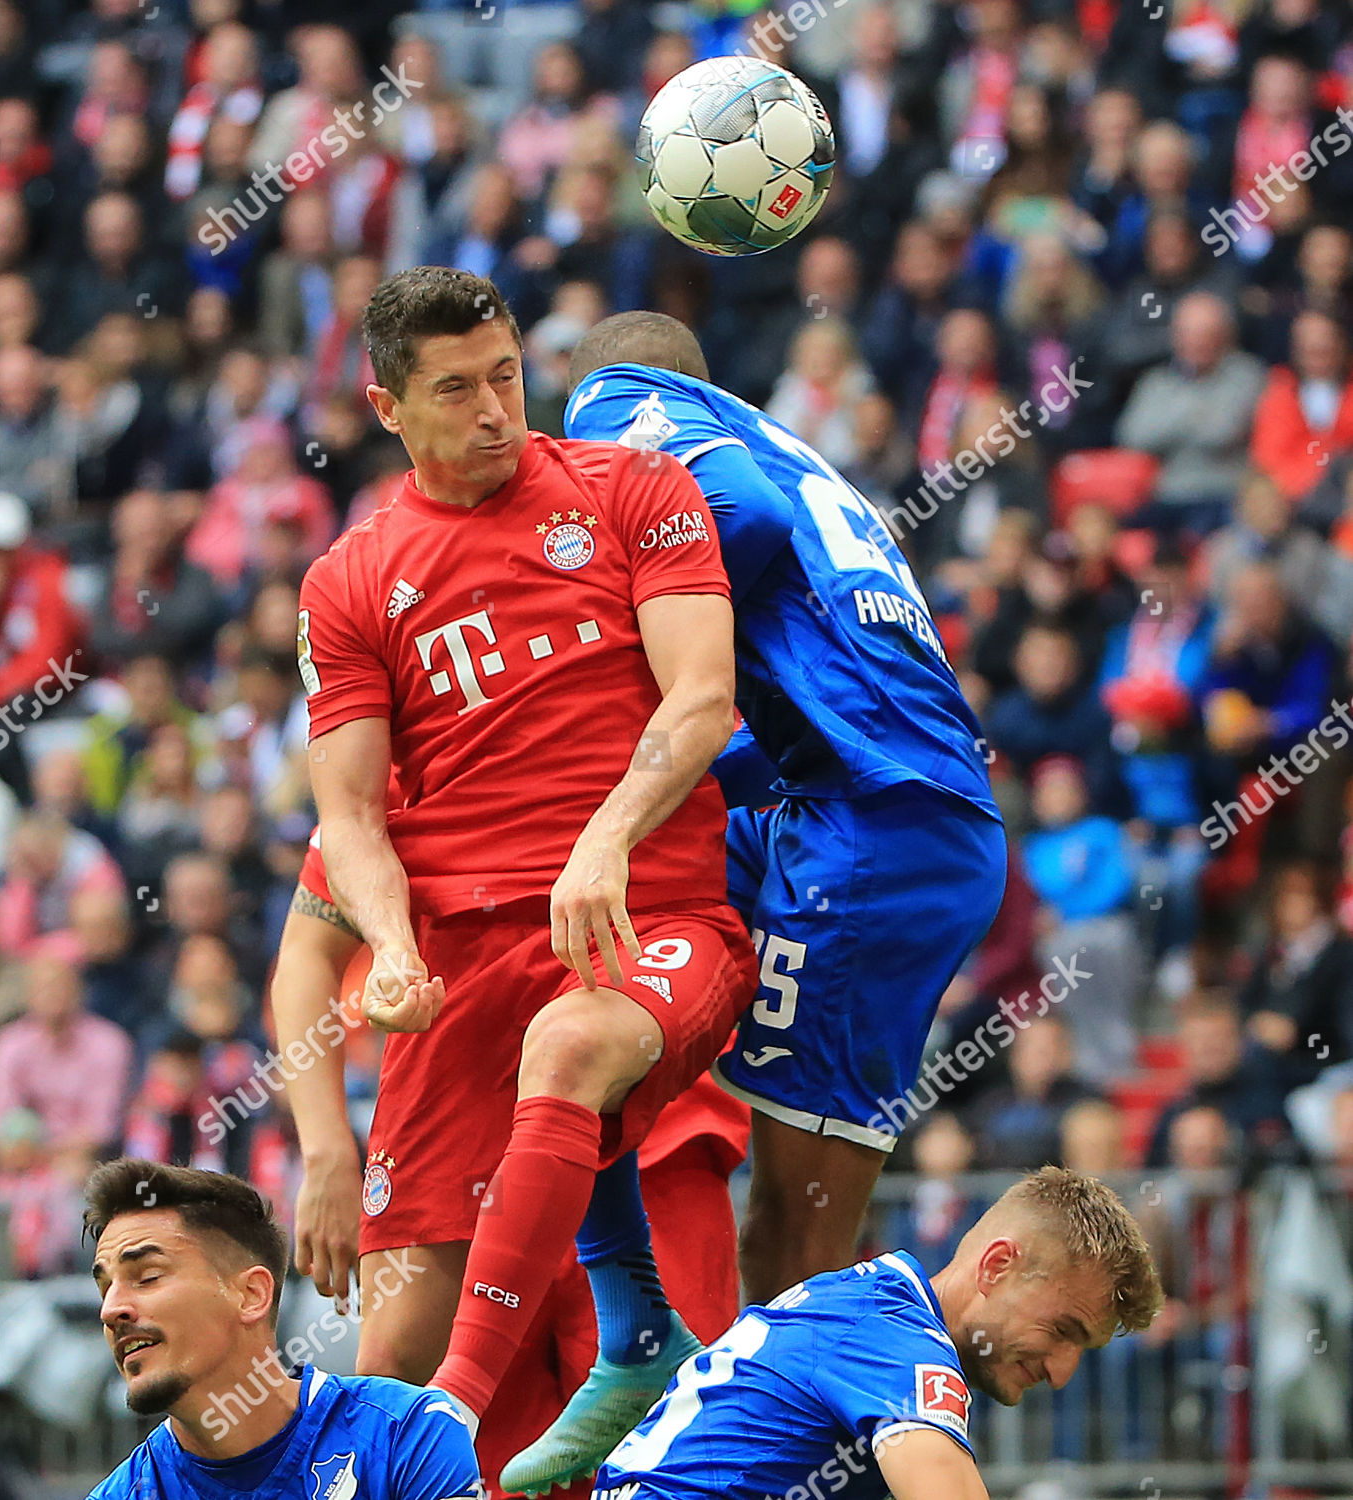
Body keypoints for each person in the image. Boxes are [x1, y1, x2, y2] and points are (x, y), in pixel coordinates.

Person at [509, 311, 1005, 1488]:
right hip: (873, 813)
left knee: (789, 1237)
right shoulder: (785, 446)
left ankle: (779, 1469)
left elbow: (740, 525)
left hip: (867, 830)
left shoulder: (614, 409)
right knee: (590, 966)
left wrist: (615, 629)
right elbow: (766, 705)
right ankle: (640, 1328)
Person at [297, 270, 757, 1445]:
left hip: (639, 922)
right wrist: (391, 953)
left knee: (575, 1048)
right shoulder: (350, 580)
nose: (496, 410)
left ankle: (483, 1404)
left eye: (505, 374)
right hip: (460, 964)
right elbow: (345, 821)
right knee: (386, 1356)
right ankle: (460, 1418)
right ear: (387, 406)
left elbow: (704, 694)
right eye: (456, 390)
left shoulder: (630, 490)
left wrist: (603, 842)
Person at [271, 823, 750, 1494]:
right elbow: (307, 951)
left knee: (674, 1450)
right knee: (423, 1440)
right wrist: (324, 1152)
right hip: (448, 1136)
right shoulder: (391, 763)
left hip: (649, 1137)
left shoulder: (674, 743)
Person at [592, 1167, 1163, 1500]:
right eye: (1062, 1330)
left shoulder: (867, 1307)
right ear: (996, 1266)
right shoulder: (895, 1337)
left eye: (1082, 1351)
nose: (1063, 1372)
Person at [84, 1158, 483, 1500]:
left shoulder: (405, 1435)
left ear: (250, 1294)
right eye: (105, 1288)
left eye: (147, 1276)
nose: (110, 1309)